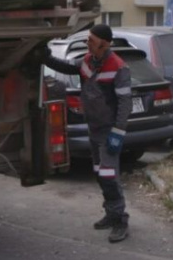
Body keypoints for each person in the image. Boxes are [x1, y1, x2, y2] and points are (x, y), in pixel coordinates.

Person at [43, 24, 132, 243]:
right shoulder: (87, 61)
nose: (87, 43)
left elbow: (125, 102)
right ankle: (111, 213)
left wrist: (118, 132)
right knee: (99, 173)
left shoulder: (119, 68)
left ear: (104, 43)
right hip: (94, 129)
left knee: (109, 175)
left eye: (91, 40)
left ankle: (120, 220)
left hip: (109, 131)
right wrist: (44, 55)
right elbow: (64, 66)